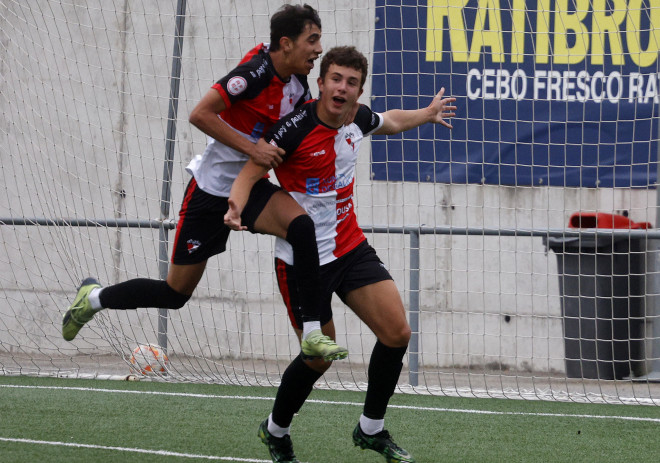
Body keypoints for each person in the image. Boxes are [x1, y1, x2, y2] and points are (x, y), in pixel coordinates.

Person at [61, 4, 348, 361]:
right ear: (286, 43)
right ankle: (92, 298)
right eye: (313, 39)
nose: (319, 49)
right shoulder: (253, 73)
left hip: (252, 188)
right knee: (175, 294)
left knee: (301, 227)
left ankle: (311, 332)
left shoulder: (298, 84)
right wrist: (253, 149)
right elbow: (199, 114)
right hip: (210, 193)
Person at [224, 46, 456, 463]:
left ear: (357, 90)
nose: (342, 88)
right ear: (320, 83)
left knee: (397, 333)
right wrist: (236, 205)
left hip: (350, 248)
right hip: (302, 261)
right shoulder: (292, 129)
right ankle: (275, 430)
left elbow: (390, 121)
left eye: (351, 82)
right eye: (335, 78)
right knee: (317, 356)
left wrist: (427, 112)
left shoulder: (356, 119)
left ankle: (371, 429)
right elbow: (251, 170)